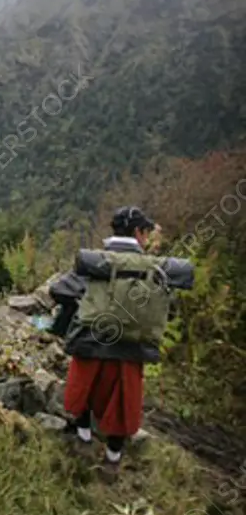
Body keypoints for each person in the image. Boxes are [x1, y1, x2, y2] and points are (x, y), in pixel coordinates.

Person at [49, 206, 193, 480]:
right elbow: (169, 309)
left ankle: (83, 439)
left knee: (84, 391)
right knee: (122, 402)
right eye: (146, 232)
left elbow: (59, 290)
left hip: (91, 342)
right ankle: (112, 460)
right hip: (132, 349)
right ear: (138, 232)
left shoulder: (97, 262)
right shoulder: (156, 269)